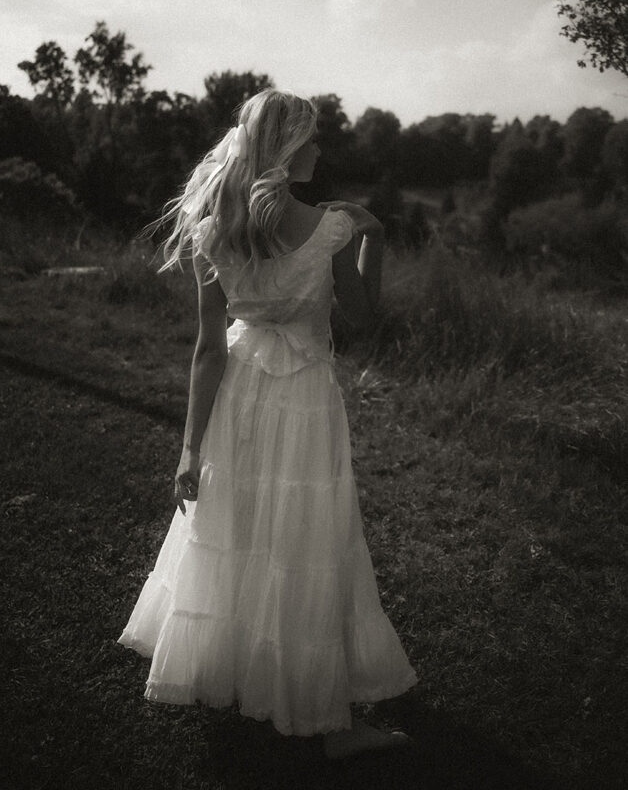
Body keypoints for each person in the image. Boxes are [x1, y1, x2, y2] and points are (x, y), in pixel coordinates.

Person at [117, 89, 417, 759]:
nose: (320, 150)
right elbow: (365, 316)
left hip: (240, 393)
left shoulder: (211, 230)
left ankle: (239, 675)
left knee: (241, 528)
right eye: (310, 139)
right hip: (306, 395)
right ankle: (327, 721)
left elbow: (208, 348)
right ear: (284, 150)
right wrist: (376, 236)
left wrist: (189, 449)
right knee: (308, 540)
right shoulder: (334, 228)